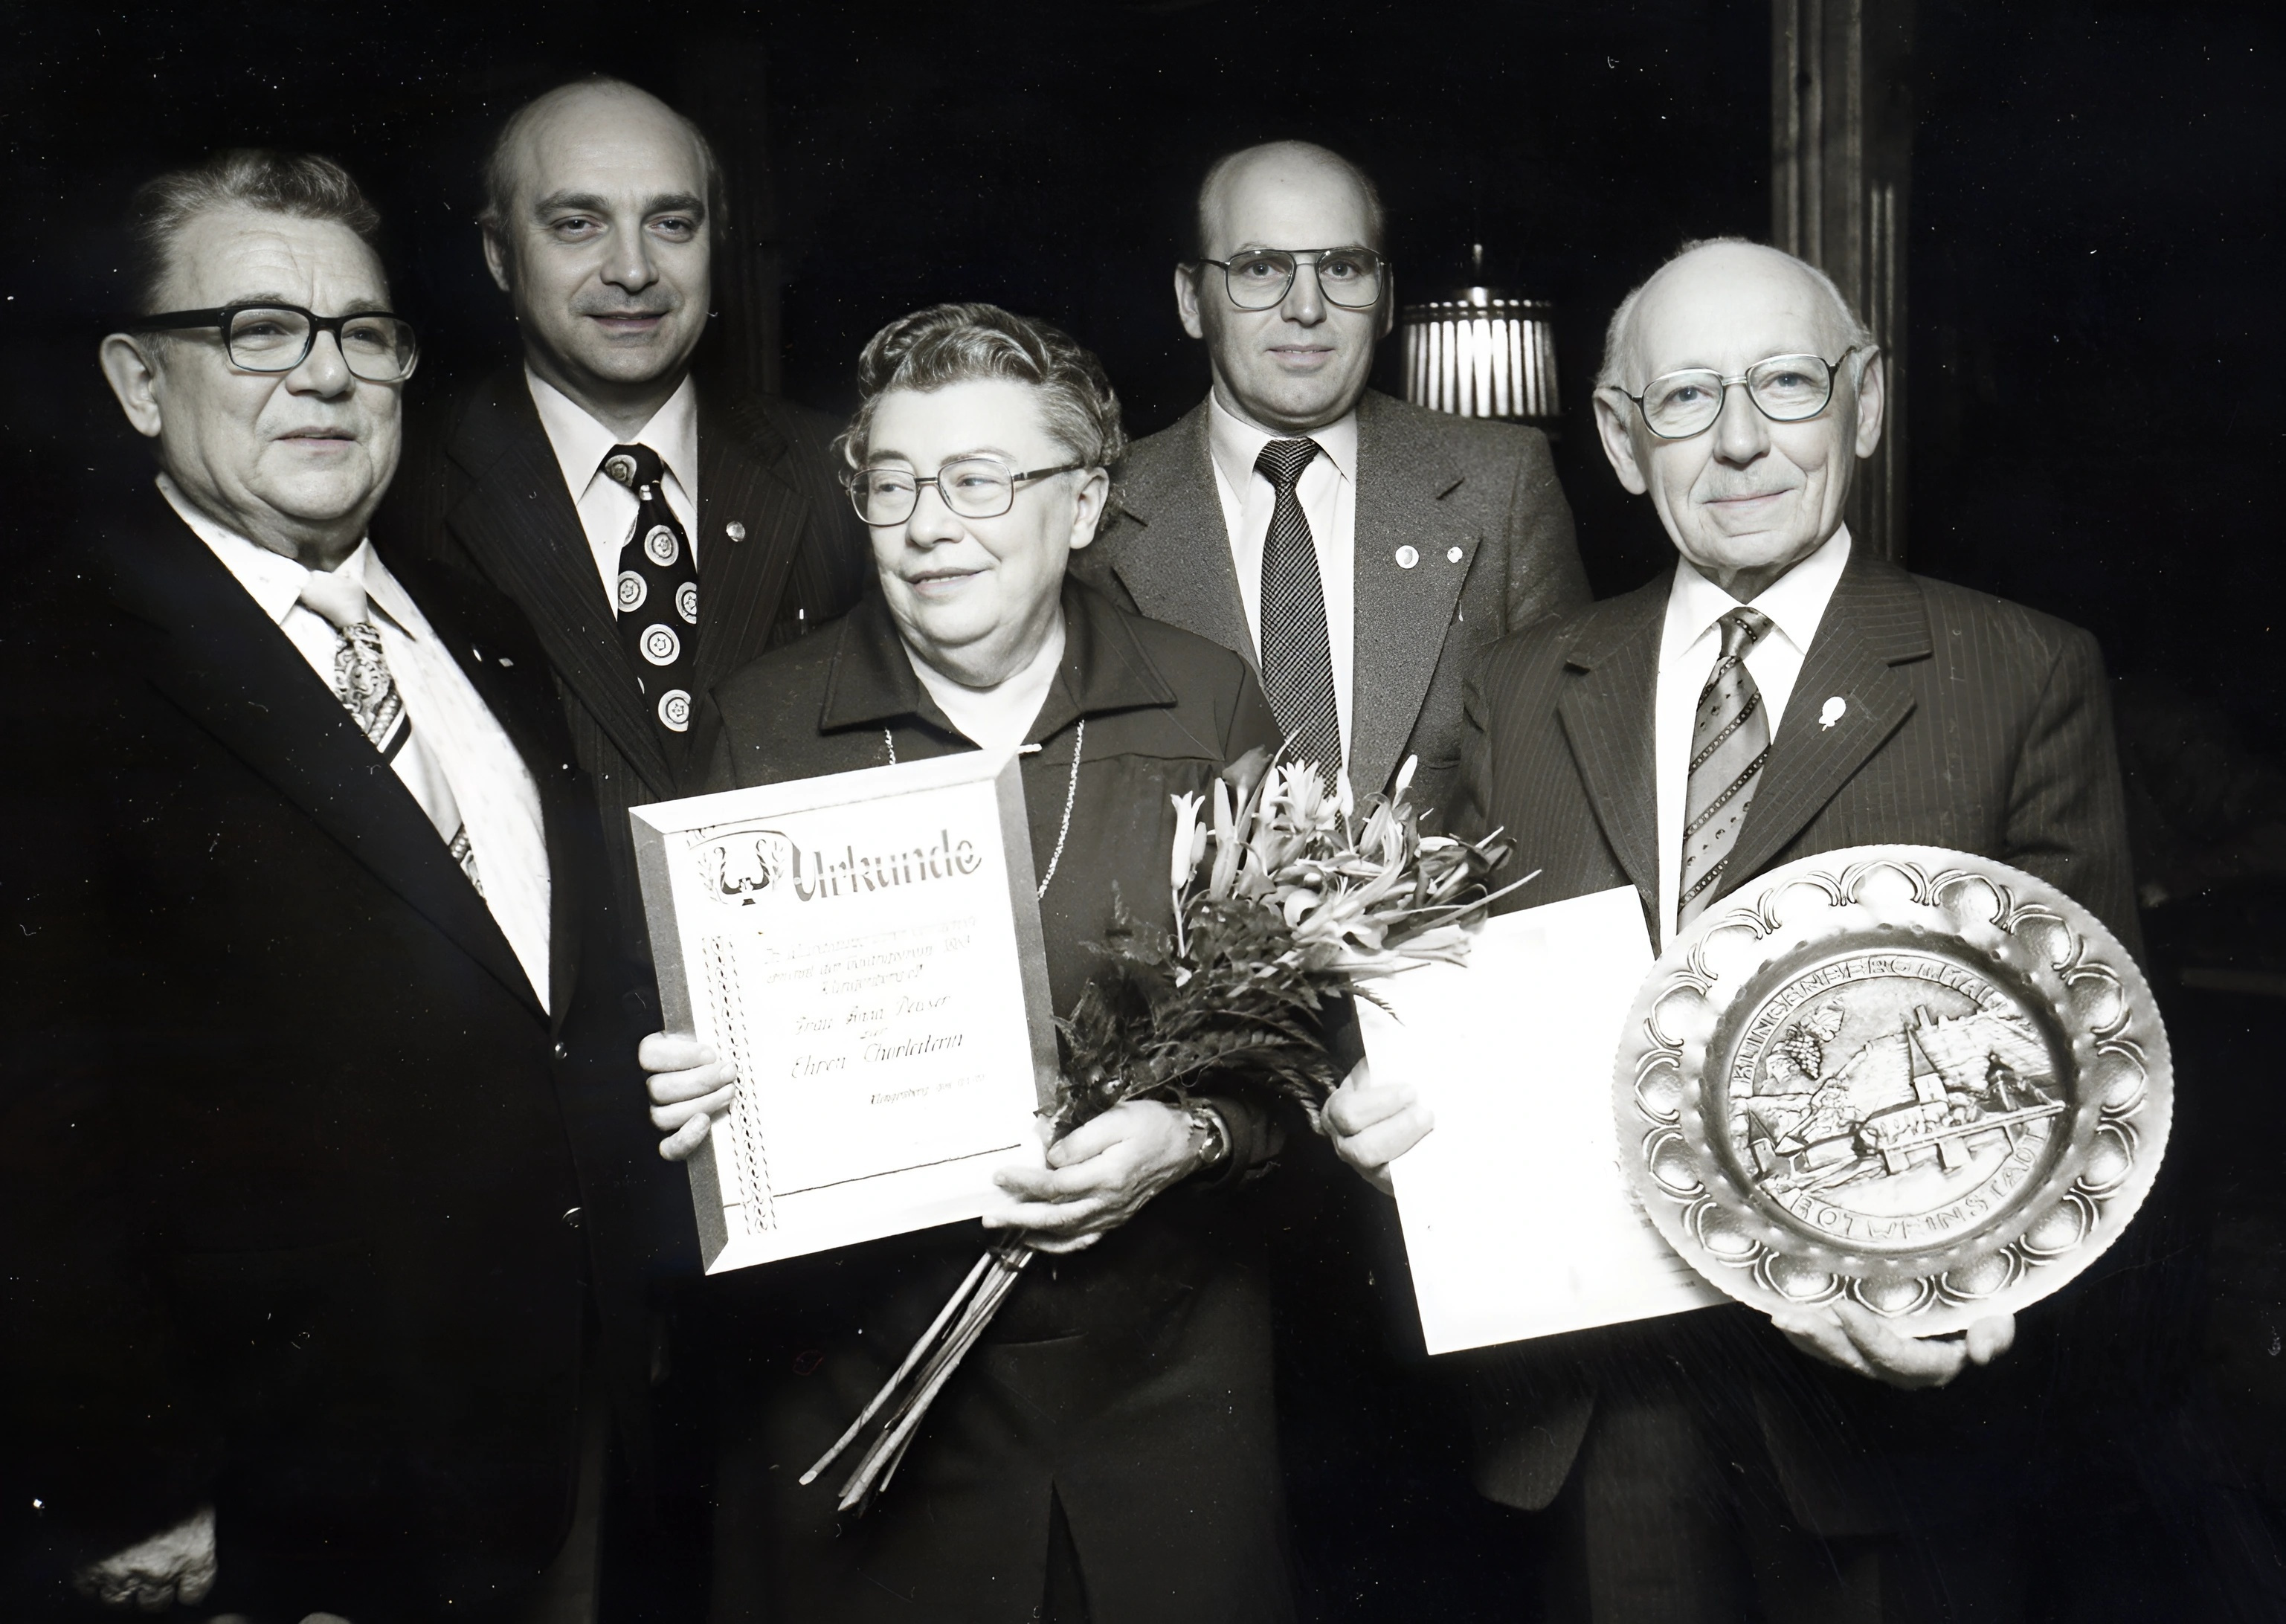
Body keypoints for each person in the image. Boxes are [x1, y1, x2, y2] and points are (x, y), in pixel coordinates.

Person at [1323, 239, 2142, 1621]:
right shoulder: (1522, 689)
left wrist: (1970, 1293)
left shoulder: (2017, 671)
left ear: (1862, 402)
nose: (1743, 440)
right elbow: (1451, 1001)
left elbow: (2088, 1060)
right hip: (1601, 1405)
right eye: (1687, 397)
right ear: (1619, 437)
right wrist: (1377, 1112)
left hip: (1884, 1420)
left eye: (1783, 384)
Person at [0, 151, 657, 1622]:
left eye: (363, 333)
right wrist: (133, 1481)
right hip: (280, 1513)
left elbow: (533, 1008)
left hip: (556, 1451)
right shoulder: (54, 669)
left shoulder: (473, 622)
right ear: (135, 382)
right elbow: (29, 1133)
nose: (325, 376)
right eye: (255, 329)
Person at [640, 304, 1297, 1623]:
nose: (929, 524)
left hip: (1162, 1404)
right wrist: (689, 1093)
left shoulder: (1205, 697)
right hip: (862, 1398)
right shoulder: (764, 722)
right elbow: (696, 1082)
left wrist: (1190, 1131)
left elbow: (1308, 1049)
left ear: (1083, 502)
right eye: (892, 483)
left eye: (980, 480)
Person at [381, 75, 869, 973]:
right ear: (498, 255)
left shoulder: (846, 476)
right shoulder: (397, 494)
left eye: (672, 223)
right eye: (577, 224)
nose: (634, 269)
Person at [1073, 139, 1588, 816]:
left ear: (1387, 299)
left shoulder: (1504, 483)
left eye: (1343, 267)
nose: (1307, 308)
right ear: (1191, 301)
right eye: (1260, 268)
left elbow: (1571, 788)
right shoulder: (1098, 514)